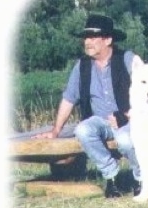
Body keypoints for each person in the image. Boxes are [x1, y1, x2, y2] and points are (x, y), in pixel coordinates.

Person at [34, 14, 141, 198]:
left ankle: (140, 178)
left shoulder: (127, 59)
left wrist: (126, 115)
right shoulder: (82, 66)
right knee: (83, 129)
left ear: (108, 40)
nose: (87, 42)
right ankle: (112, 177)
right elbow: (69, 99)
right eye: (85, 37)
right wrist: (55, 131)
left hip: (131, 119)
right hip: (101, 121)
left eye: (92, 37)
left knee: (124, 140)